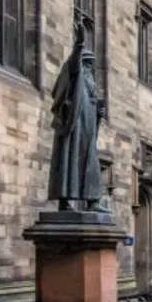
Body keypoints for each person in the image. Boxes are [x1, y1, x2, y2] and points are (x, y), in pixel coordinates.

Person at [47, 23, 106, 209]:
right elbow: (74, 65)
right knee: (69, 161)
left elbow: (90, 105)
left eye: (91, 64)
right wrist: (79, 45)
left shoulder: (89, 83)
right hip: (75, 128)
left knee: (91, 162)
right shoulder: (77, 74)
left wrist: (98, 114)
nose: (90, 68)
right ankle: (65, 201)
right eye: (88, 63)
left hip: (87, 130)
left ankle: (92, 201)